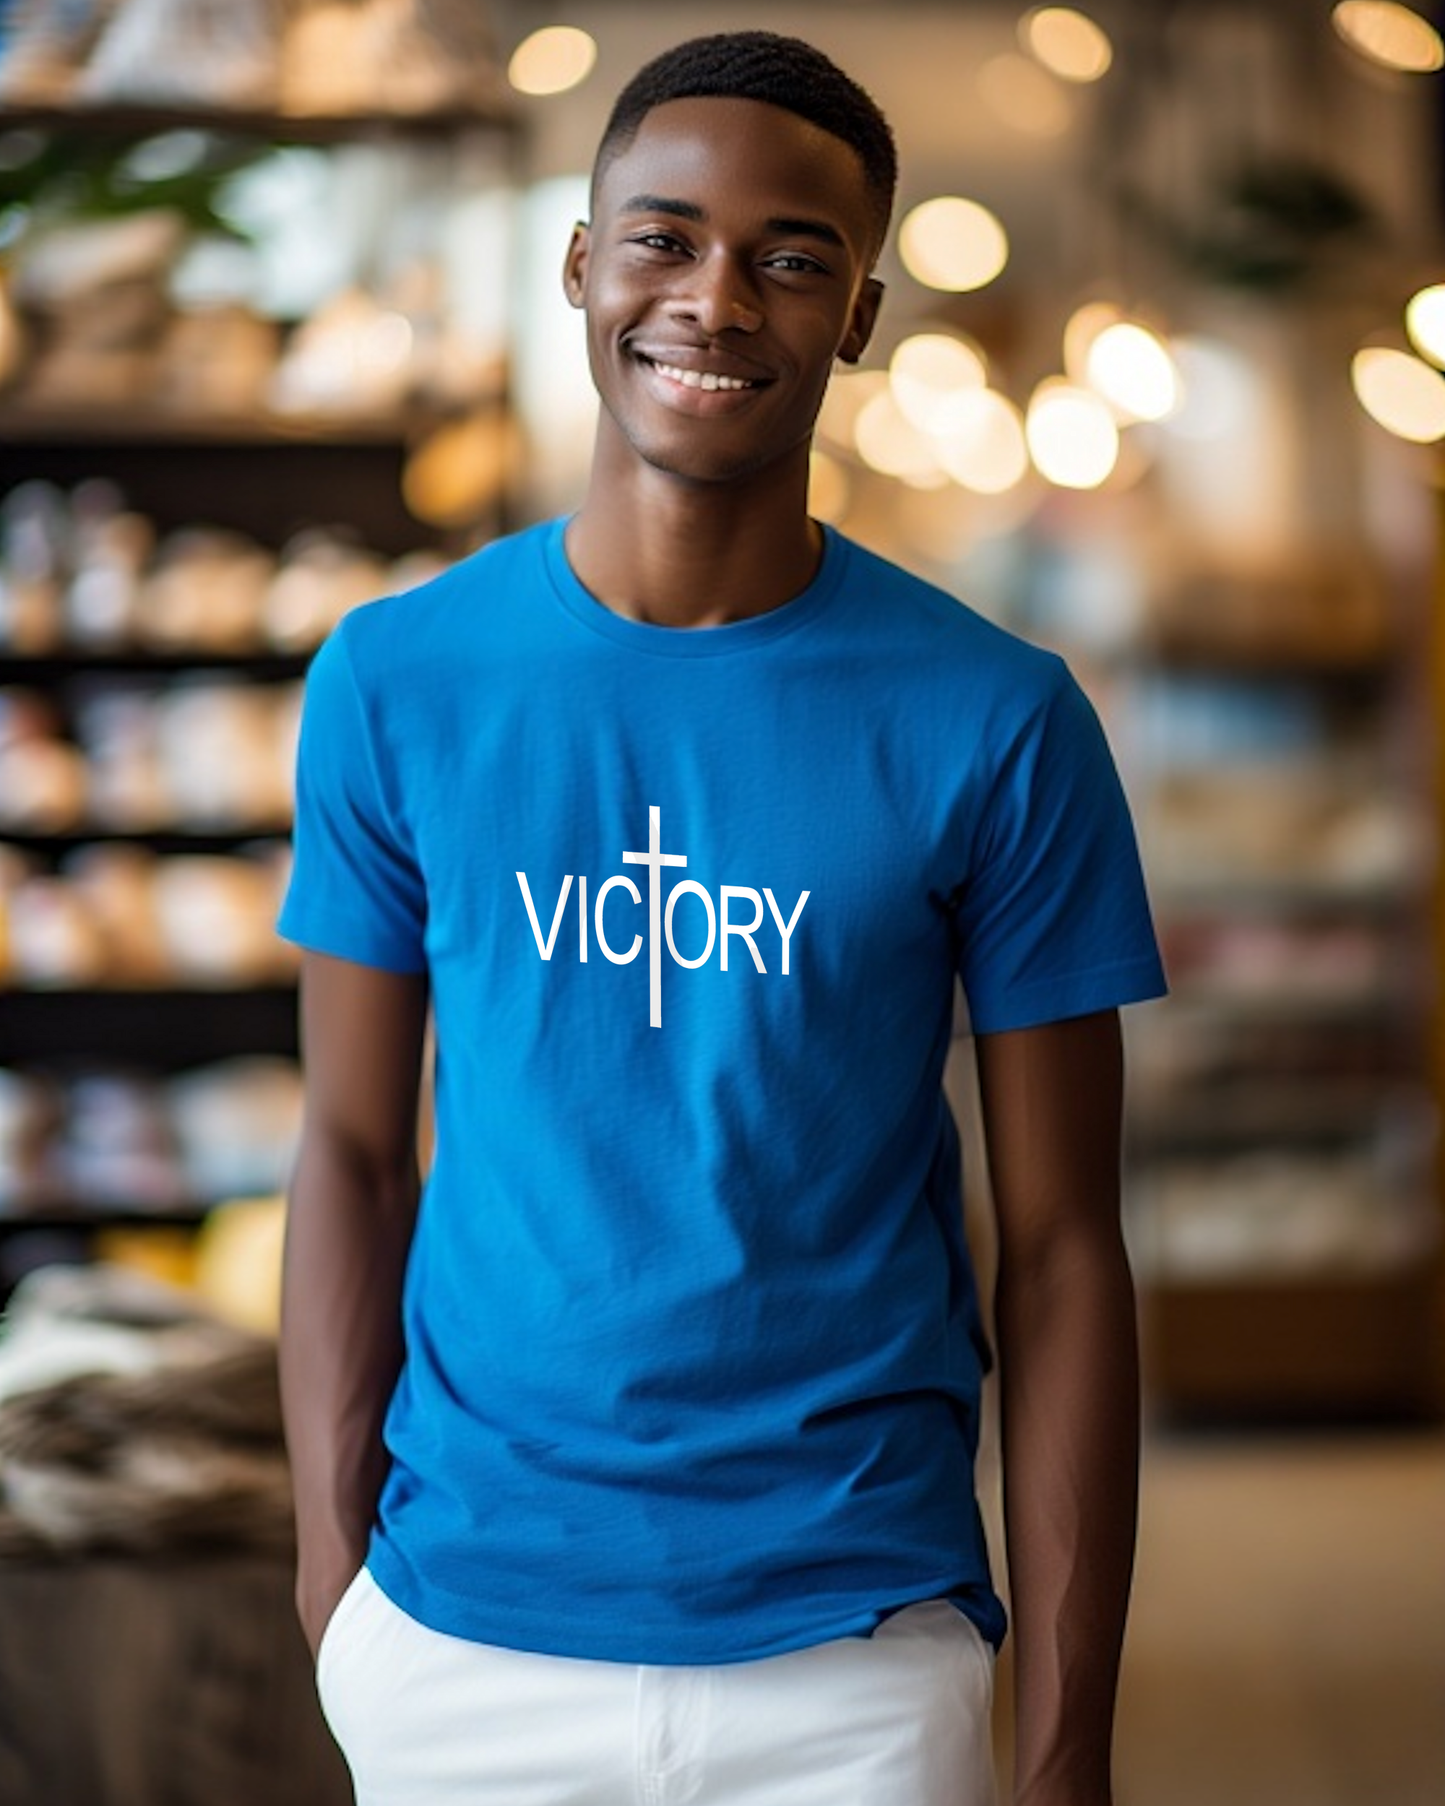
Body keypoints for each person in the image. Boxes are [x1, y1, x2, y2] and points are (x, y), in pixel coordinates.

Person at [277, 28, 1167, 1806]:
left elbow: (1066, 1245)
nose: (715, 299)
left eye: (791, 259)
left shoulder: (996, 719)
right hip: (463, 1642)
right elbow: (354, 1156)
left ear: (860, 316)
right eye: (664, 239)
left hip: (854, 1647)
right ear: (579, 265)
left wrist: (1068, 1742)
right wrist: (335, 1594)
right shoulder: (396, 680)